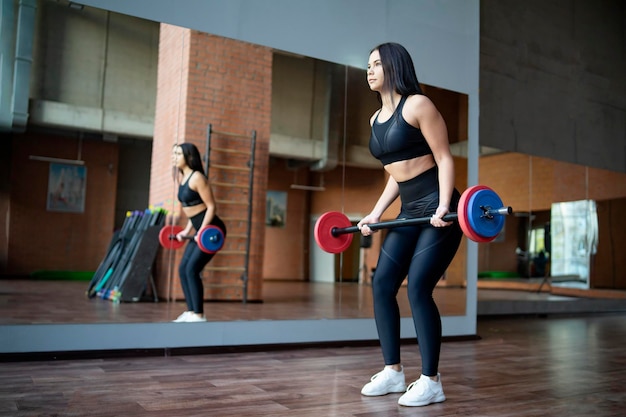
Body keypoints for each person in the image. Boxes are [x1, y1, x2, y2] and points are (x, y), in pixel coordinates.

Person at [357, 42, 463, 407]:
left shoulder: (418, 105)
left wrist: (446, 206)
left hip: (440, 207)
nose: (368, 70)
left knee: (418, 287)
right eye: (367, 65)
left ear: (394, 66)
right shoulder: (375, 120)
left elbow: (444, 158)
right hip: (409, 209)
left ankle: (431, 381)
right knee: (383, 282)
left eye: (375, 64)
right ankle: (393, 371)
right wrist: (375, 214)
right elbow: (395, 174)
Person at [171, 142, 227, 323]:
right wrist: (186, 231)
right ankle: (190, 311)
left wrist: (200, 231)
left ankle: (199, 315)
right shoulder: (182, 178)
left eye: (178, 154)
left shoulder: (197, 178)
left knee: (192, 269)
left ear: (189, 157)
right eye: (174, 154)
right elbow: (192, 211)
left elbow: (211, 207)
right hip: (199, 230)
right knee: (182, 269)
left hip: (212, 231)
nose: (175, 157)